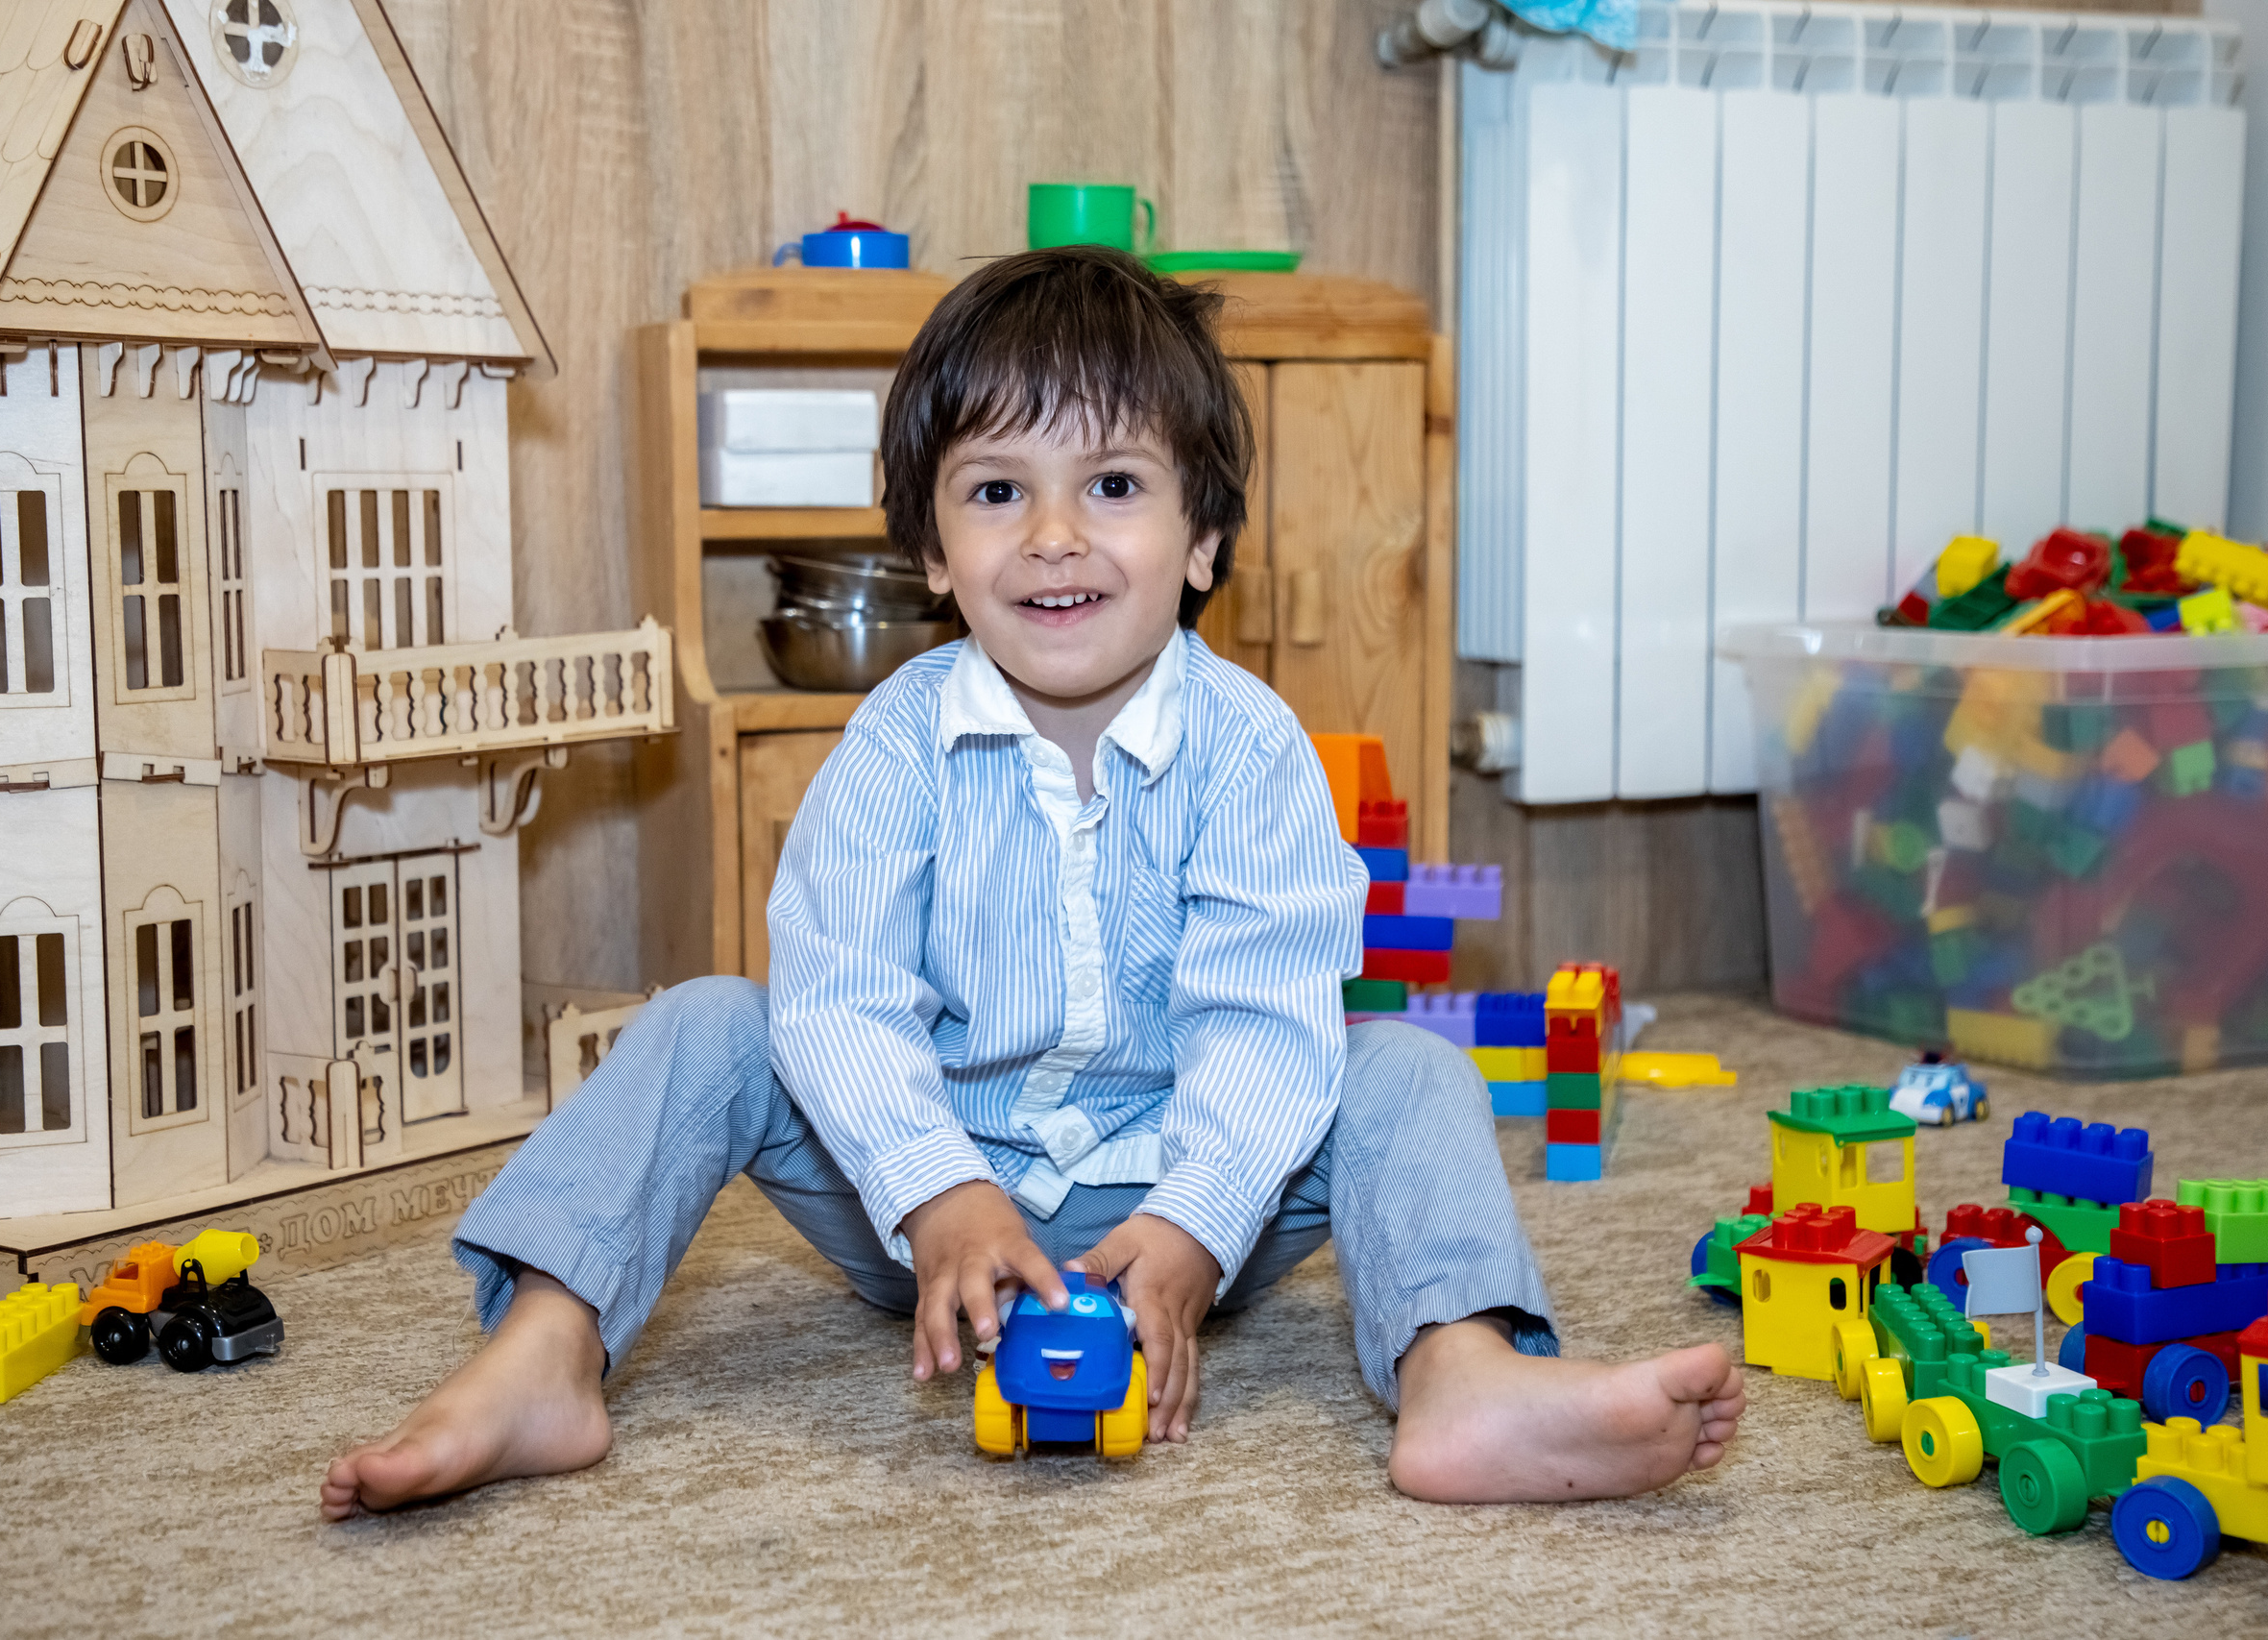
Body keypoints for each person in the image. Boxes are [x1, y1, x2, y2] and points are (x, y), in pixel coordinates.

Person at [321, 247, 1744, 1520]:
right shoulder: (892, 744)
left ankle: (1461, 1373)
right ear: (935, 553)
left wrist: (1196, 1224)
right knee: (710, 1022)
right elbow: (839, 995)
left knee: (1404, 1071)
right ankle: (545, 1354)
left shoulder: (1253, 750)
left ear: (1201, 541)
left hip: (1191, 1194)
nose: (1054, 534)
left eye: (1112, 486)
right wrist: (937, 1191)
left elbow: (1264, 1024)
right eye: (999, 491)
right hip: (930, 1198)